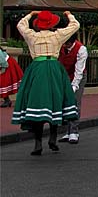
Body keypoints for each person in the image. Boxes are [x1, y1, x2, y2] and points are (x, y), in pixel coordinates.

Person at [13, 10, 80, 155]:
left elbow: (20, 25)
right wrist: (68, 14)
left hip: (37, 69)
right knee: (55, 101)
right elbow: (75, 25)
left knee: (37, 102)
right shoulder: (57, 36)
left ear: (38, 25)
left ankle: (38, 143)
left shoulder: (32, 36)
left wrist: (30, 14)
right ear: (52, 23)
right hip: (54, 69)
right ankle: (53, 138)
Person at [57, 32, 87, 144]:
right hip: (64, 76)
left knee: (74, 102)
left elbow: (79, 70)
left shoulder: (81, 49)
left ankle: (74, 131)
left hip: (78, 76)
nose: (64, 45)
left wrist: (74, 86)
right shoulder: (60, 47)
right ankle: (67, 131)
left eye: (67, 43)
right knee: (64, 103)